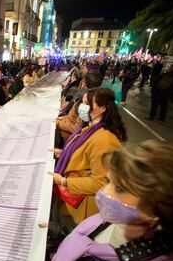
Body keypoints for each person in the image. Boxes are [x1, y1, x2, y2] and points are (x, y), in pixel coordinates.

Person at [49, 140, 173, 261]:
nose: (104, 191)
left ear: (156, 209)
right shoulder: (112, 218)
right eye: (108, 180)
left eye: (120, 189)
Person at [50, 87, 127, 233]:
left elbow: (101, 182)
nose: (81, 107)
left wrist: (63, 181)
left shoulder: (105, 139)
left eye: (86, 103)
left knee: (69, 235)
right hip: (71, 199)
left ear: (102, 108)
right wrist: (64, 153)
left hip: (81, 206)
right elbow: (85, 154)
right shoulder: (90, 127)